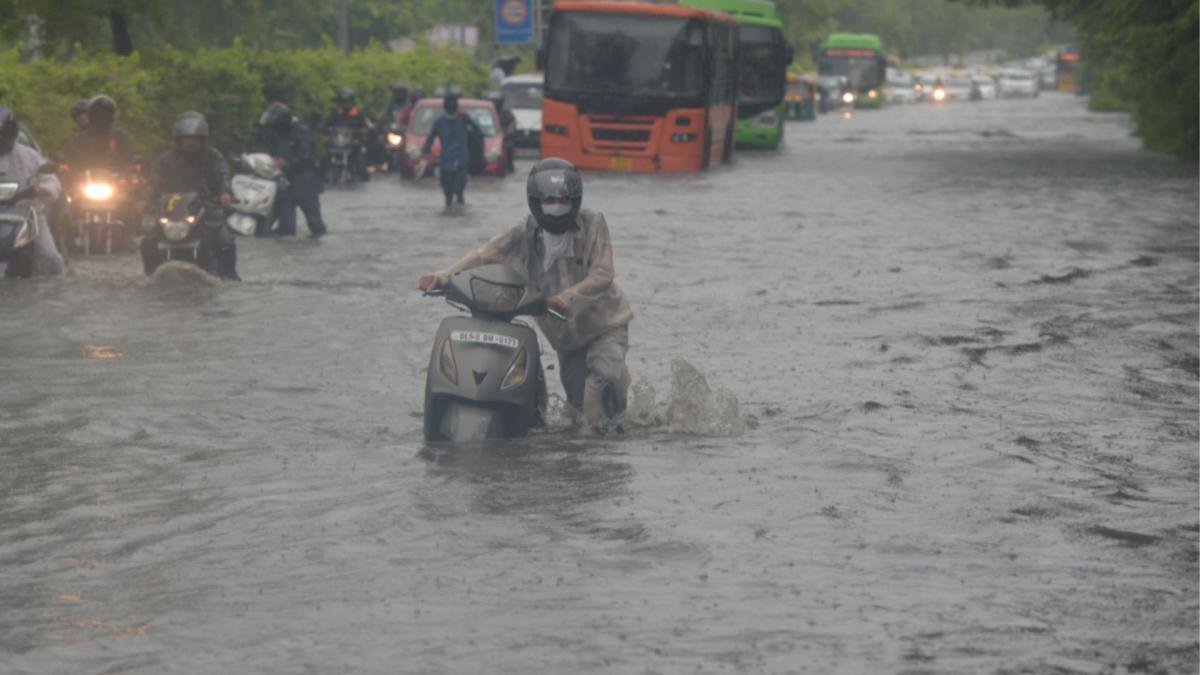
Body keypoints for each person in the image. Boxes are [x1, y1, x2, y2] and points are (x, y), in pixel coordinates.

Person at [418, 158, 632, 430]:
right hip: (566, 339)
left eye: (563, 199)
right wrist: (444, 276)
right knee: (578, 412)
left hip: (606, 326)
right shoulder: (522, 234)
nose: (557, 205)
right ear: (535, 201)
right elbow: (484, 255)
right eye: (549, 199)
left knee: (603, 381)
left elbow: (603, 273)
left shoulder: (594, 223)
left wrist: (566, 299)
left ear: (575, 200)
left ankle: (610, 442)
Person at [139, 112, 239, 280]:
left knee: (224, 240)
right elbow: (154, 181)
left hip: (207, 208)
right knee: (148, 241)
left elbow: (223, 175)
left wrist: (225, 193)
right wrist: (145, 198)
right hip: (172, 210)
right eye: (187, 138)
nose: (191, 142)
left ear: (202, 139)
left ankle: (230, 276)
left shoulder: (213, 157)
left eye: (196, 138)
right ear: (179, 139)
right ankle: (150, 276)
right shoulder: (166, 159)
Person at [0, 108, 64, 276]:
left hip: (26, 216)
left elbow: (51, 181)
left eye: (1, 133)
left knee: (50, 258)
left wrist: (40, 190)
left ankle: (57, 284)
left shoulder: (29, 155)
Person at [258, 102, 327, 238]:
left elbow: (305, 158)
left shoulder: (301, 132)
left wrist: (285, 165)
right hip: (286, 184)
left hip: (306, 184)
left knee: (316, 226)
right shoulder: (275, 135)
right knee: (286, 230)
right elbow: (271, 155)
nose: (272, 129)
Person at [420, 88, 482, 211]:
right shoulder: (440, 122)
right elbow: (430, 138)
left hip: (462, 161)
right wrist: (425, 151)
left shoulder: (463, 118)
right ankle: (450, 210)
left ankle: (458, 210)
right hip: (446, 162)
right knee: (448, 193)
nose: (452, 107)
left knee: (459, 191)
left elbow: (478, 132)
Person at [324, 87, 371, 182]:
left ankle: (362, 175)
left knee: (360, 160)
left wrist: (364, 131)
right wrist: (324, 128)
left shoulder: (358, 113)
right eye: (343, 101)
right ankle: (323, 176)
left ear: (352, 102)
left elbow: (365, 125)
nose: (346, 103)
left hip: (353, 142)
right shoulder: (335, 112)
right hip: (337, 142)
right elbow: (327, 124)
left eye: (348, 101)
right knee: (324, 157)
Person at [485, 90, 517, 172]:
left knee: (509, 147)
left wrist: (505, 136)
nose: (495, 103)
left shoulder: (507, 114)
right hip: (487, 137)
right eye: (493, 101)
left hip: (504, 138)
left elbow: (511, 127)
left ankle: (509, 166)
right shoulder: (485, 113)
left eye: (496, 101)